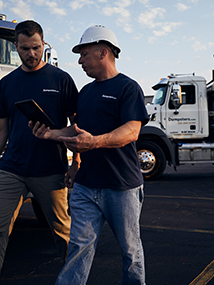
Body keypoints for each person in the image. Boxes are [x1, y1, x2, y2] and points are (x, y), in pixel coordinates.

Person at [30, 25, 148, 284]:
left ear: (103, 51)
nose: (80, 60)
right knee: (78, 248)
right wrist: (50, 134)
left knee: (130, 251)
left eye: (84, 54)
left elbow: (131, 131)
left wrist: (94, 142)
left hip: (121, 187)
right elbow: (76, 129)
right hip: (86, 186)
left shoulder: (128, 88)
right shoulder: (85, 92)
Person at [0, 20, 79, 285]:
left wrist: (76, 162)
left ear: (44, 44)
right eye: (25, 49)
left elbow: (77, 126)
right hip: (12, 169)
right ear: (15, 47)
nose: (32, 54)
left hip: (50, 169)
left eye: (36, 47)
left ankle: (76, 281)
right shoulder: (7, 83)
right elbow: (1, 129)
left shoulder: (61, 79)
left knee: (64, 233)